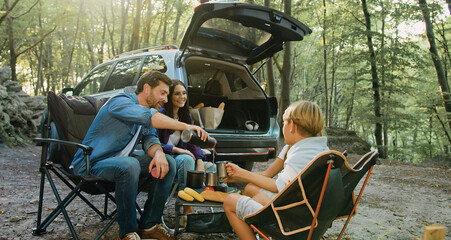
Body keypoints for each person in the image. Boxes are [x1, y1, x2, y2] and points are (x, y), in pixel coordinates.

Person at [71, 71, 209, 240]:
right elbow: (148, 118)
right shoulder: (120, 101)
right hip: (91, 163)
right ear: (146, 88)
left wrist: (158, 153)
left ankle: (150, 224)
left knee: (169, 162)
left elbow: (150, 139)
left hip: (120, 164)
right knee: (130, 165)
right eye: (163, 93)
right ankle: (128, 232)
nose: (166, 99)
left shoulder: (149, 110)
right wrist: (187, 126)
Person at [222, 100, 329, 240]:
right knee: (252, 191)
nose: (282, 127)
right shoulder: (320, 149)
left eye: (284, 123)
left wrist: (242, 173)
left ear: (292, 126)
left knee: (230, 201)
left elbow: (278, 186)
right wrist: (239, 176)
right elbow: (275, 180)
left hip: (291, 219)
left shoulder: (300, 155)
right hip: (309, 213)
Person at [158, 79, 216, 214]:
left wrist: (200, 161)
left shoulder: (186, 116)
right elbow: (154, 144)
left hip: (184, 156)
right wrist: (179, 150)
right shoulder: (160, 115)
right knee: (186, 159)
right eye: (177, 94)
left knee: (211, 167)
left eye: (184, 93)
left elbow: (193, 143)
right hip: (166, 157)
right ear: (169, 96)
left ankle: (217, 210)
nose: (182, 97)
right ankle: (187, 207)